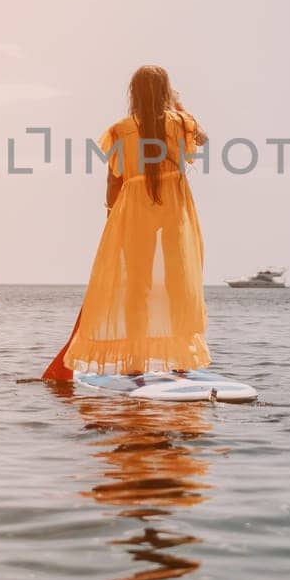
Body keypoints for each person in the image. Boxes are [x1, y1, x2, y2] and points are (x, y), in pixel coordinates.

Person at [63, 65, 210, 377]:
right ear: (167, 91)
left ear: (133, 94)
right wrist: (179, 107)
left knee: (137, 284)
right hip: (174, 205)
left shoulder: (120, 129)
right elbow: (203, 140)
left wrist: (110, 216)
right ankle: (182, 363)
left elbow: (113, 180)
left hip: (134, 206)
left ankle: (135, 364)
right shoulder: (181, 122)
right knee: (178, 279)